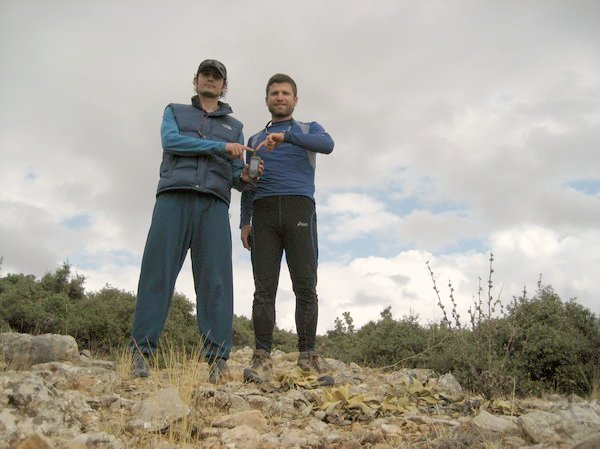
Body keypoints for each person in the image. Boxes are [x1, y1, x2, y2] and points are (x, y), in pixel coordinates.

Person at [130, 59, 257, 383]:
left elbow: (233, 175)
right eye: (206, 75)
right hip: (174, 197)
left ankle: (217, 361)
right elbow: (171, 142)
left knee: (216, 283)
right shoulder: (174, 111)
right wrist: (219, 146)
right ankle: (141, 354)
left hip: (213, 205)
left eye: (217, 78)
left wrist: (245, 175)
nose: (211, 81)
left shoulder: (235, 126)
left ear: (224, 85)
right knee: (156, 274)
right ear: (196, 80)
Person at [240, 73, 334, 382]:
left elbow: (328, 145)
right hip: (263, 213)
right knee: (263, 289)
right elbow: (248, 183)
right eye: (274, 93)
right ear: (266, 100)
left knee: (305, 286)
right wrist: (244, 221)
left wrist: (287, 137)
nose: (280, 97)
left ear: (295, 100)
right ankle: (262, 356)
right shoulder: (254, 140)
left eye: (285, 93)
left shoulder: (308, 129)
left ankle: (307, 356)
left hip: (299, 209)